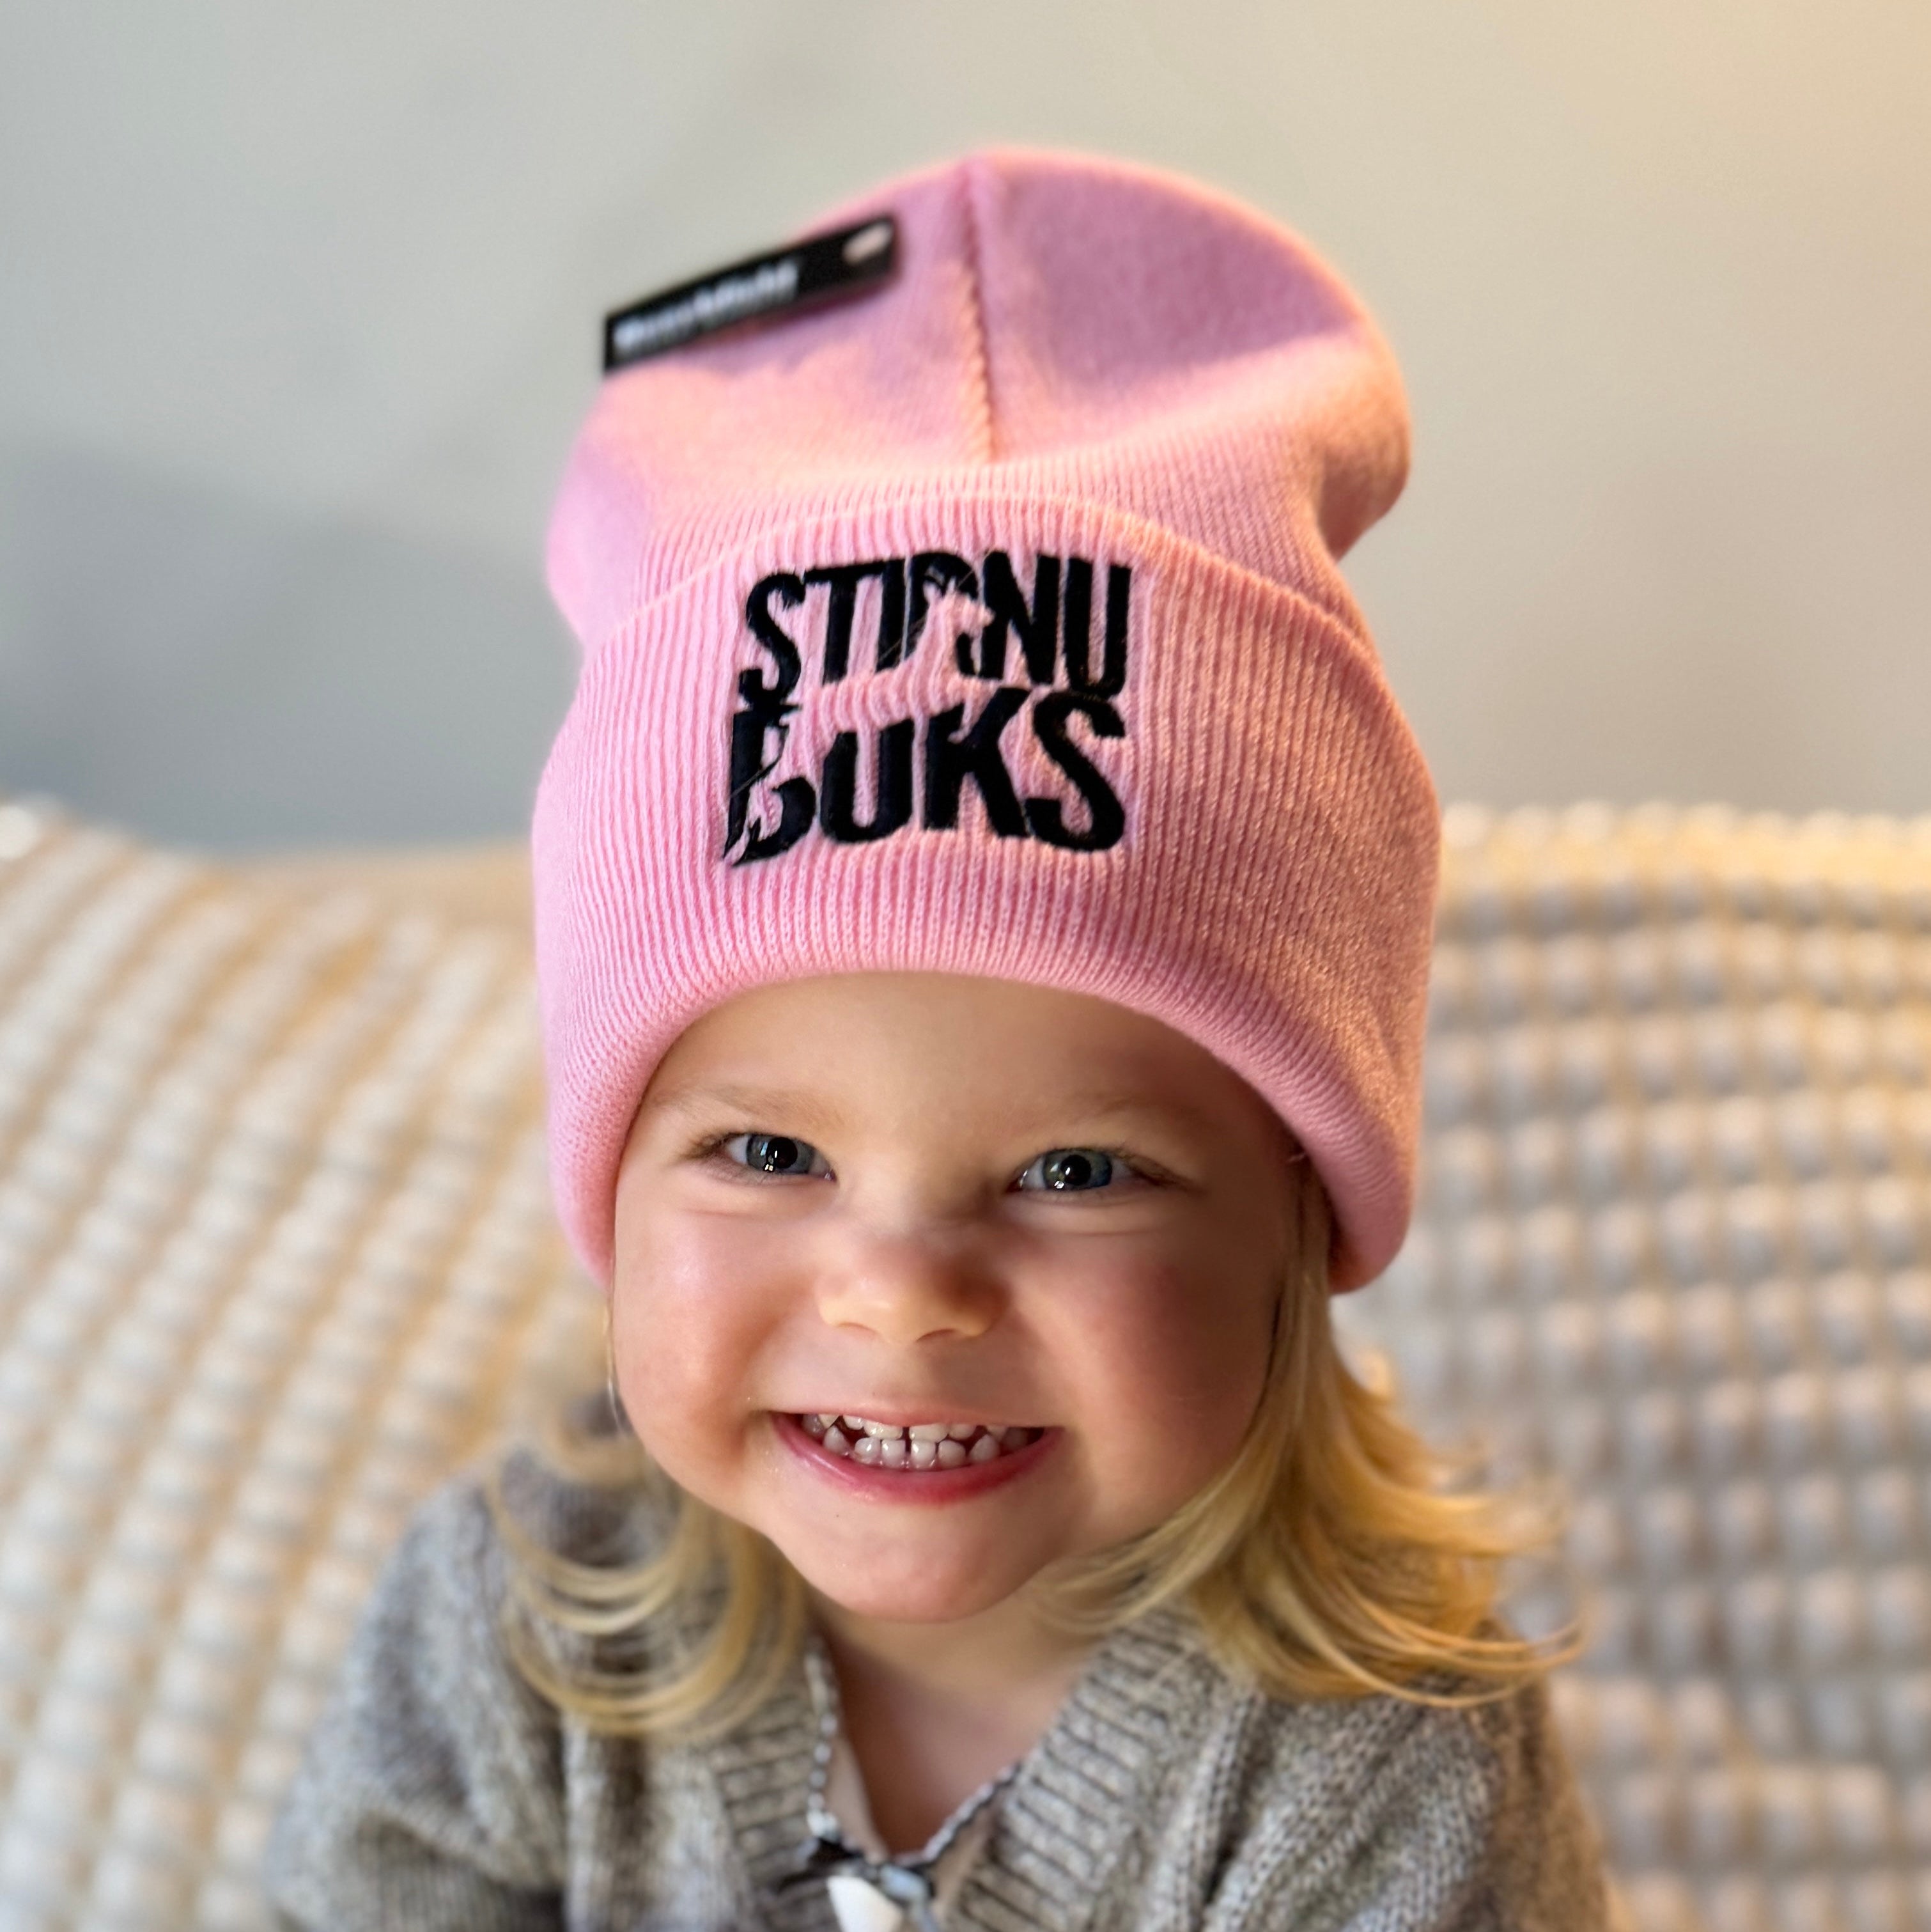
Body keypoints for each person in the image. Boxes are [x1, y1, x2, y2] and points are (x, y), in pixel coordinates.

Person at [265, 148, 1613, 1930]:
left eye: (1075, 1171)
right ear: (610, 1182)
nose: (902, 1294)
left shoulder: (1377, 1750)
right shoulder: (509, 1621)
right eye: (769, 1154)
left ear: (1298, 1214)